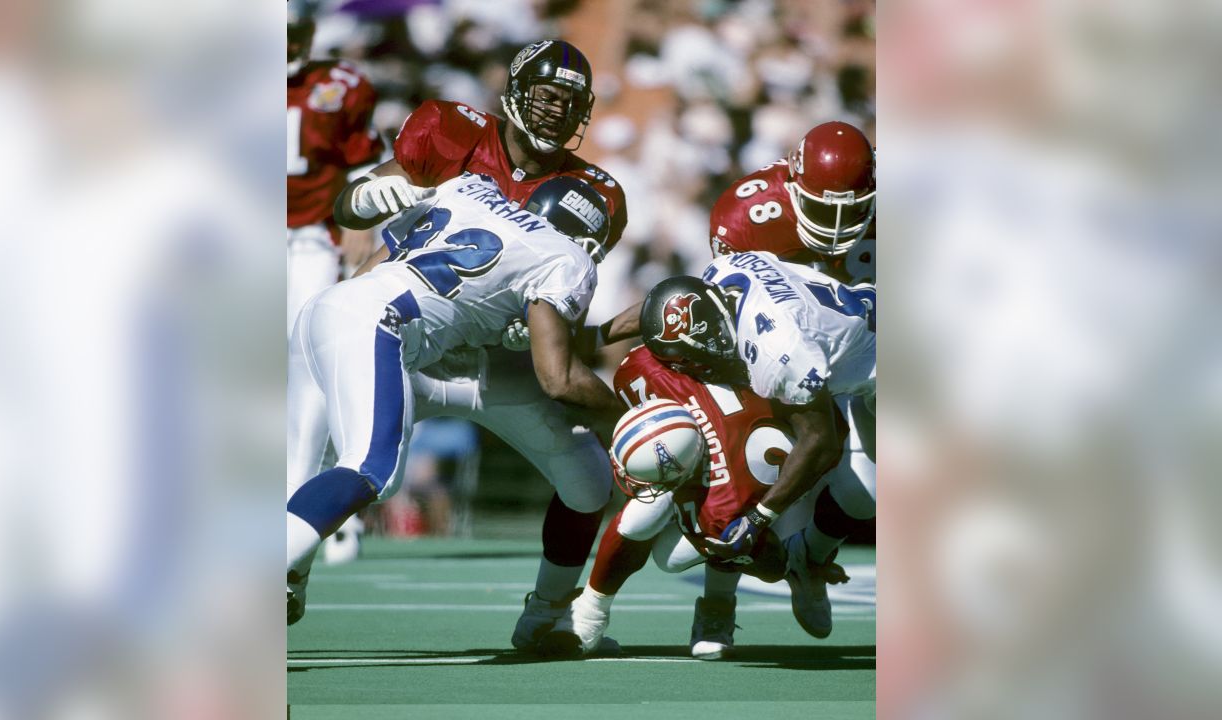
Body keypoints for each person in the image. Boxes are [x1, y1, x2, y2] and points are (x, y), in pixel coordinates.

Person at [331, 40, 632, 651]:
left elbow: (561, 302)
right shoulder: (449, 132)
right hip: (408, 340)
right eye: (547, 95)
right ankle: (289, 571)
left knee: (588, 482)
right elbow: (355, 213)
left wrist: (539, 322)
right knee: (321, 444)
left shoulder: (595, 193)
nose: (556, 111)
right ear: (517, 91)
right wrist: (364, 198)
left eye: (570, 102)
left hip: (502, 366)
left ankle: (547, 613)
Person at [286, 173, 626, 626]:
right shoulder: (564, 258)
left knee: (314, 459)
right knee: (371, 467)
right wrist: (628, 418)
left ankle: (547, 617)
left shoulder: (470, 190)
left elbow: (376, 261)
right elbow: (559, 378)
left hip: (339, 309)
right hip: (388, 330)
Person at [578, 251, 876, 646]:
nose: (684, 370)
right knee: (709, 478)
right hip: (817, 357)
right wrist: (598, 335)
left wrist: (759, 518)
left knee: (863, 494)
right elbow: (666, 305)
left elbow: (822, 440)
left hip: (866, 374)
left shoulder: (778, 354)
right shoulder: (720, 276)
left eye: (687, 361)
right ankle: (596, 611)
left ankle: (808, 560)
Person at [287, 7, 383, 336]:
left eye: (295, 35)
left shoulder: (340, 84)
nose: (289, 47)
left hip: (313, 231)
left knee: (306, 328)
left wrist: (359, 218)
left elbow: (362, 158)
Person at [709, 121, 876, 285]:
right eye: (822, 209)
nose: (836, 225)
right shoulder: (742, 216)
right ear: (793, 186)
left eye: (852, 210)